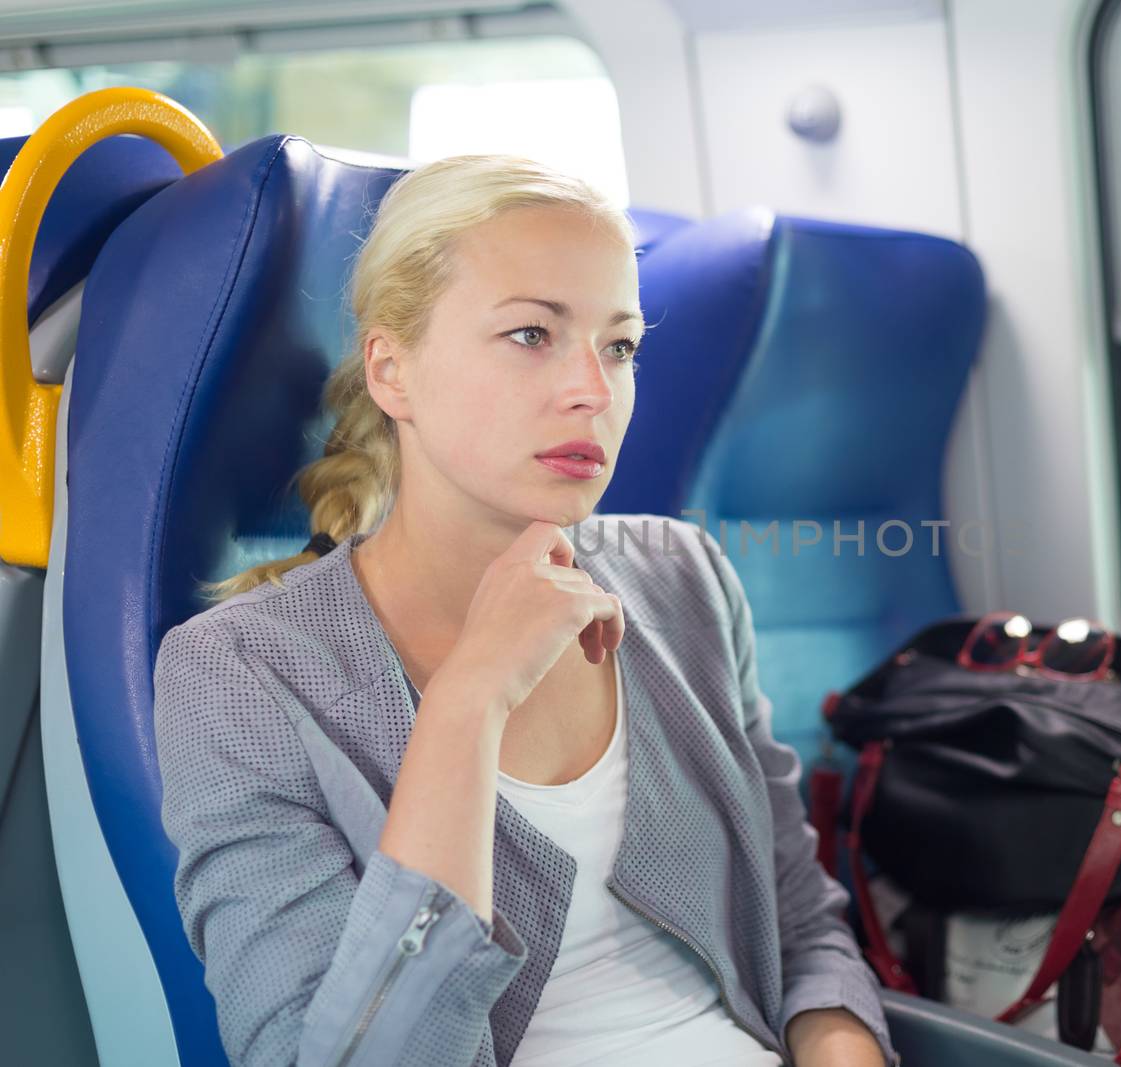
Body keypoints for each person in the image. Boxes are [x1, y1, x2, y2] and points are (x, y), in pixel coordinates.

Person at [151, 154, 896, 1067]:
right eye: (532, 335)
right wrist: (468, 700)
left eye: (619, 345)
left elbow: (797, 920)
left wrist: (840, 1048)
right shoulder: (239, 673)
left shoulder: (681, 575)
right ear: (392, 370)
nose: (593, 388)